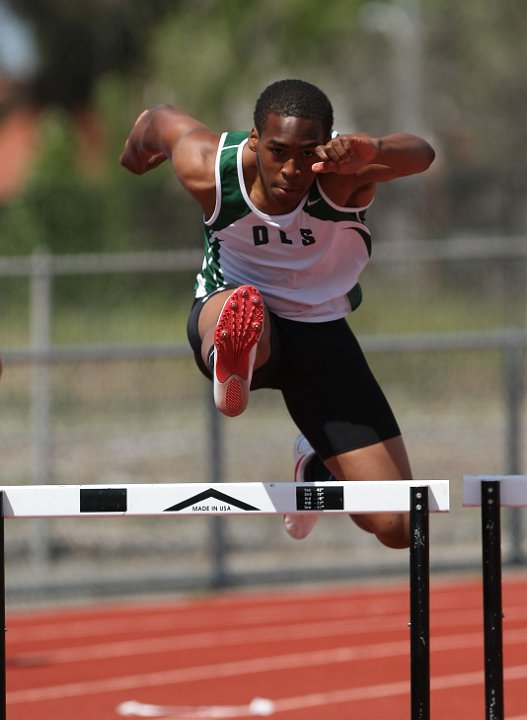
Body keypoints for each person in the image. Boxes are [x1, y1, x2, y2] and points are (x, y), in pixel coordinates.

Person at [120, 78, 435, 549]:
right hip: (235, 307)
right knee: (242, 308)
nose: (291, 169)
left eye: (307, 153)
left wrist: (374, 148)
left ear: (324, 148)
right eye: (278, 151)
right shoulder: (209, 166)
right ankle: (231, 361)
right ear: (254, 140)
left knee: (398, 526)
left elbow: (423, 154)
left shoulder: (342, 174)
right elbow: (160, 121)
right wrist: (135, 148)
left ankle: (315, 461)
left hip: (320, 334)